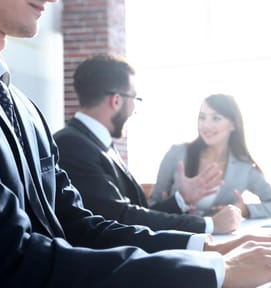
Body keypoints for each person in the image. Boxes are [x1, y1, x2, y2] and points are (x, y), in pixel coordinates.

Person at [0, 1, 271, 288]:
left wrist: (206, 248)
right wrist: (215, 270)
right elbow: (8, 265)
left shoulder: (23, 105)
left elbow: (80, 227)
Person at [54, 55, 242, 234]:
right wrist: (209, 224)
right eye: (134, 99)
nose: (135, 109)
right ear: (116, 100)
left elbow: (138, 212)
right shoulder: (72, 145)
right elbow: (122, 218)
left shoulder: (96, 143)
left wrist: (181, 199)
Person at [150, 94, 271, 218]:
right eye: (202, 118)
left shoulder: (243, 168)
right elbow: (151, 208)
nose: (206, 125)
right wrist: (175, 206)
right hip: (176, 238)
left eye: (216, 118)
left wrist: (245, 210)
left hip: (218, 241)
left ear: (233, 125)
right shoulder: (177, 154)